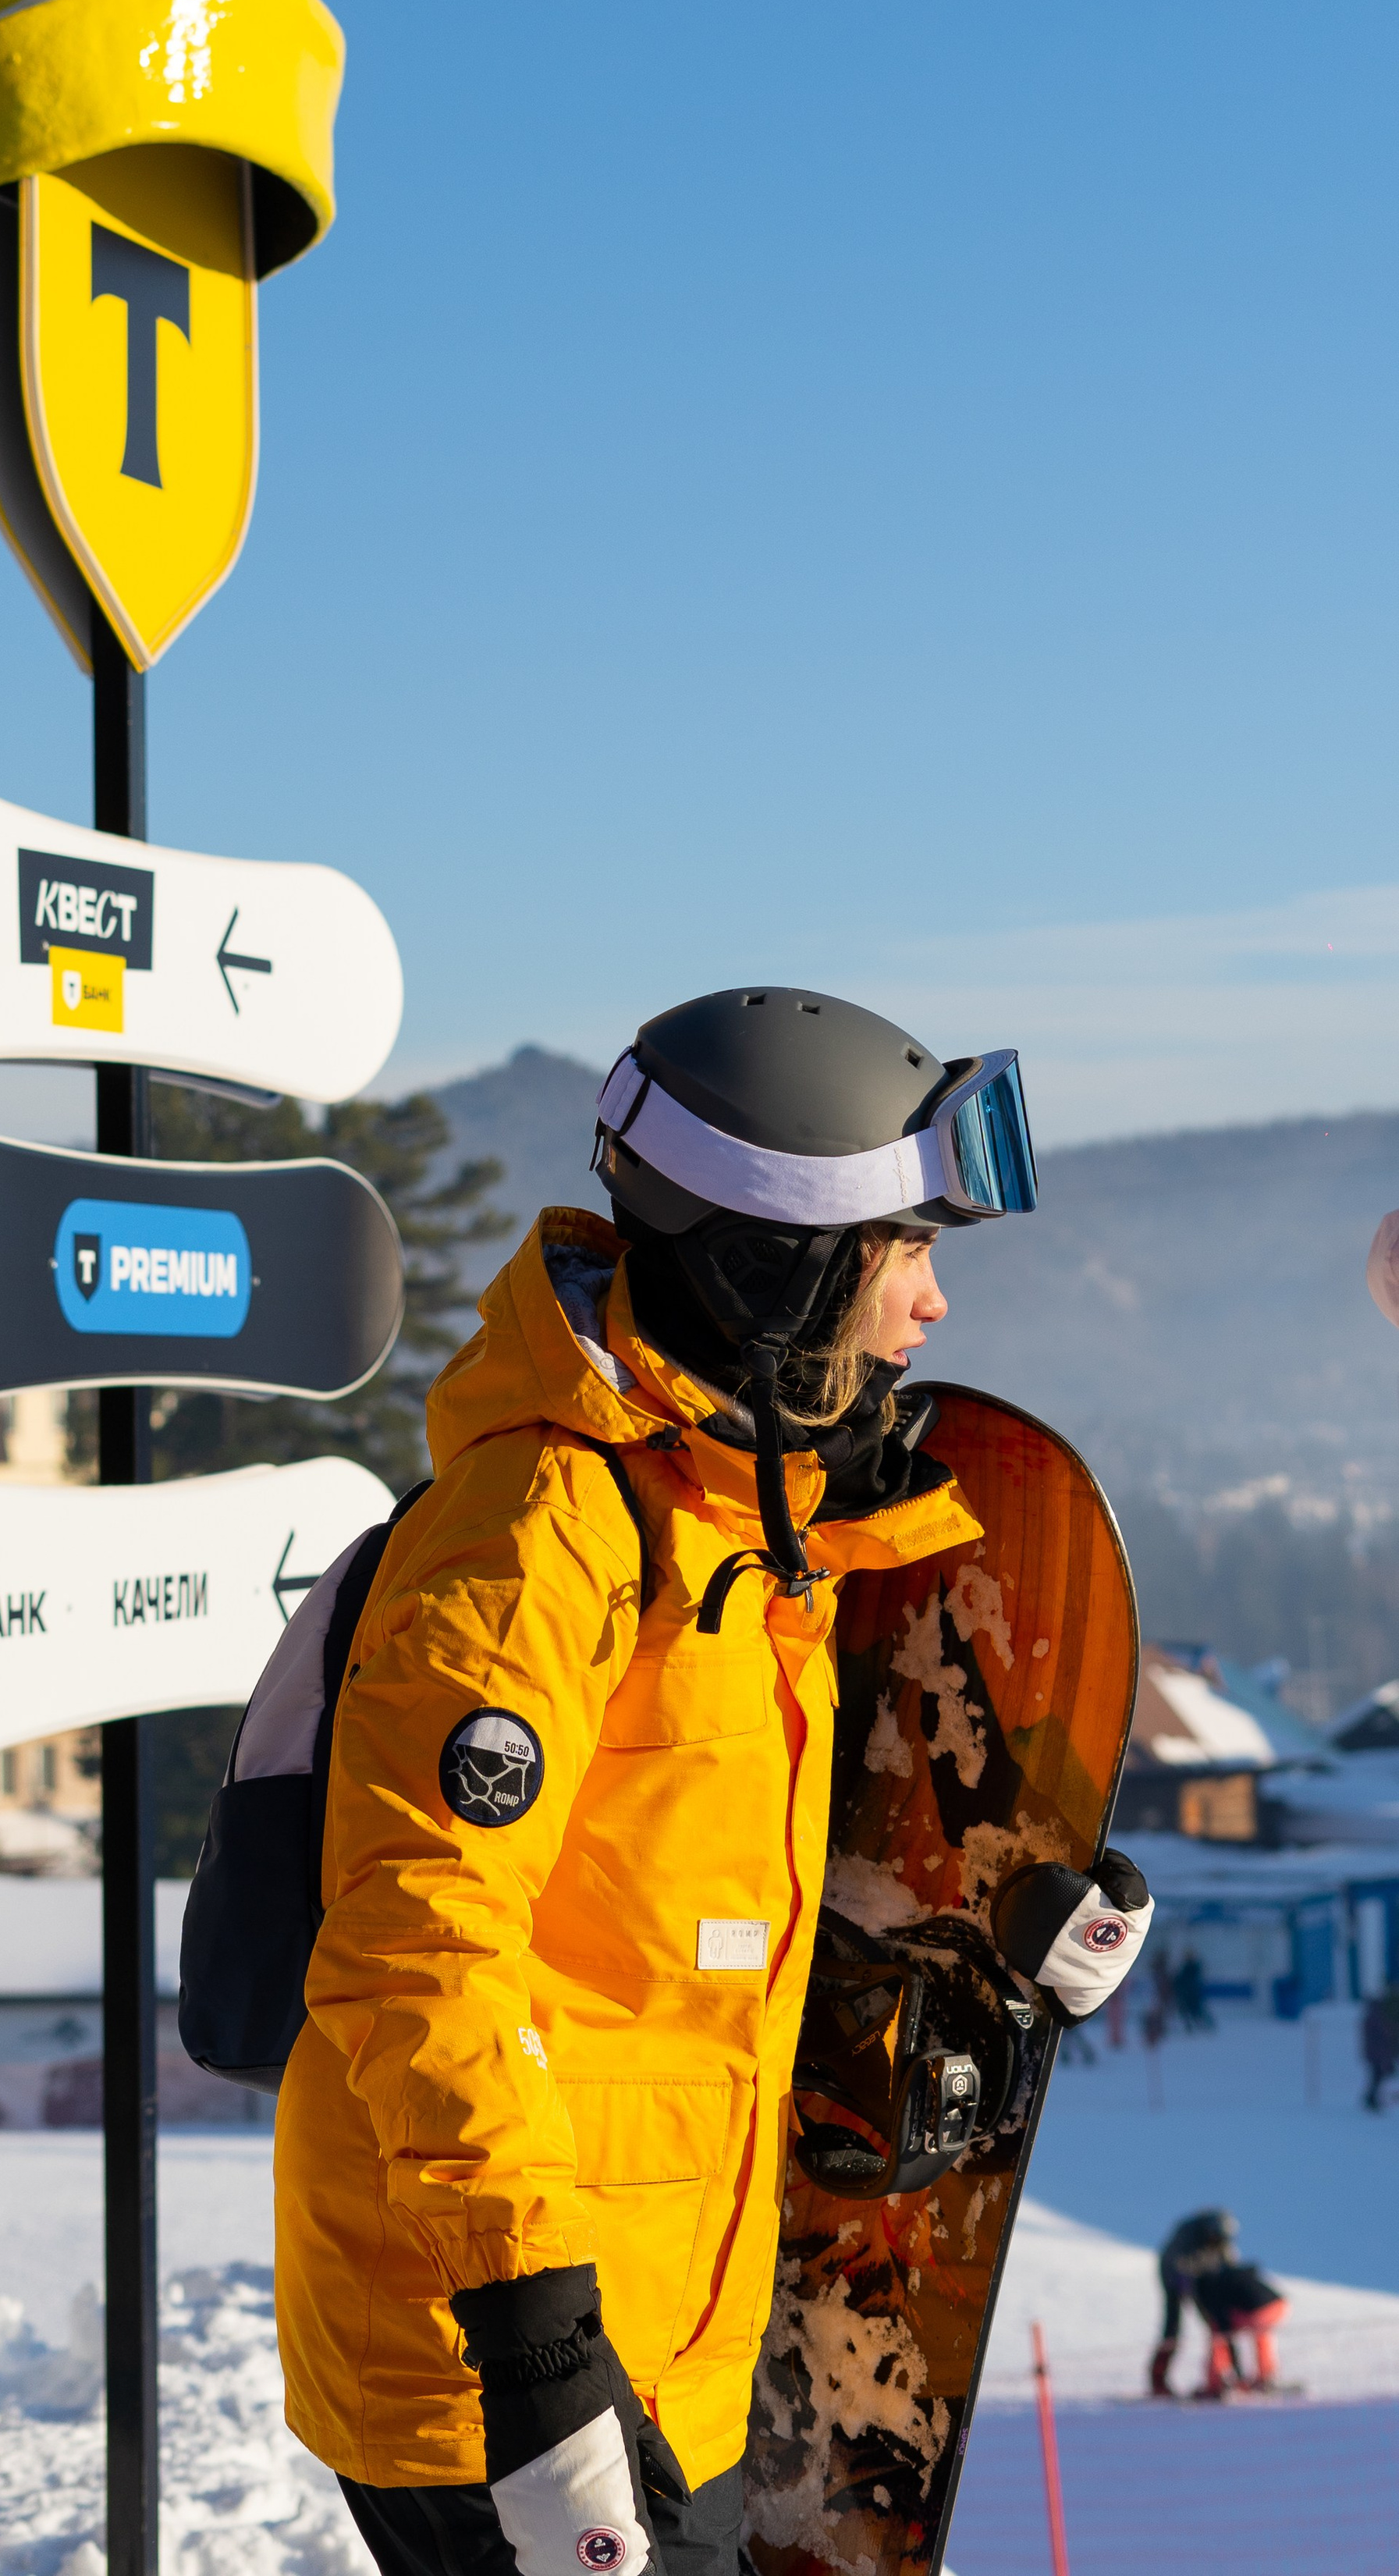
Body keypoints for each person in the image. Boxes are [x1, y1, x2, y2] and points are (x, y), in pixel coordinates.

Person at [272, 990, 1155, 2576]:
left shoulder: (745, 1530)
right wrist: (538, 2350)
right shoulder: (534, 1536)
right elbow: (415, 1952)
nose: (934, 1310)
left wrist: (979, 1945)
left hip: (669, 2322)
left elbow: (685, 1934)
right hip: (499, 2363)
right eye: (907, 1259)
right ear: (779, 1270)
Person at [1149, 2208, 1237, 2397]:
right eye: (1215, 2238)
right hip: (1174, 2278)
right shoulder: (1188, 2236)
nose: (1217, 2242)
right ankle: (1158, 2382)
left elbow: (1230, 2265)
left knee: (1219, 2325)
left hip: (1200, 2279)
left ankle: (1232, 2376)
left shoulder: (1221, 2238)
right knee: (1173, 2329)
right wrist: (1193, 2291)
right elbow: (1176, 2266)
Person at [1193, 2256, 1291, 2397]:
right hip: (1280, 2305)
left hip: (1259, 2310)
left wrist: (1236, 2374)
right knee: (1261, 2334)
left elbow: (1224, 2330)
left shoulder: (1212, 2289)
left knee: (1218, 2336)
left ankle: (1215, 2383)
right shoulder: (1227, 2277)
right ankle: (1265, 2377)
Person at [1361, 1986, 1399, 2111]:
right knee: (1378, 2075)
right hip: (1377, 2052)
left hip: (1378, 2052)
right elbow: (1385, 2032)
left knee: (1379, 2075)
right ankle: (1372, 2099)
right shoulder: (1376, 2015)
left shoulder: (1374, 2014)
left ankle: (1373, 2098)